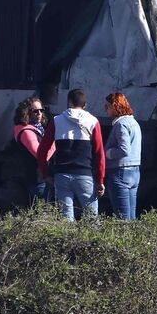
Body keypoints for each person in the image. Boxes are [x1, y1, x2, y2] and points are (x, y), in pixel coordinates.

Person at [37, 89, 106, 221]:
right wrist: (100, 180)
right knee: (91, 219)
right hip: (85, 175)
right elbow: (99, 153)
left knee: (65, 219)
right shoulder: (93, 121)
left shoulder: (57, 121)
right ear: (85, 105)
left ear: (68, 102)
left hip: (61, 176)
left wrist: (46, 174)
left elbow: (42, 151)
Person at [104, 92, 142, 220]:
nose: (106, 109)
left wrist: (107, 153)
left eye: (107, 106)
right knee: (131, 215)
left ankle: (125, 239)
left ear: (115, 107)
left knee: (122, 217)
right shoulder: (134, 122)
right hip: (134, 171)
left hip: (120, 172)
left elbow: (124, 149)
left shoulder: (121, 124)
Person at [13, 96, 49, 202]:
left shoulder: (40, 128)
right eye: (35, 111)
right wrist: (54, 144)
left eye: (41, 110)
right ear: (27, 113)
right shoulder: (26, 132)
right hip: (36, 178)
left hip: (42, 176)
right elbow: (39, 154)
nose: (39, 113)